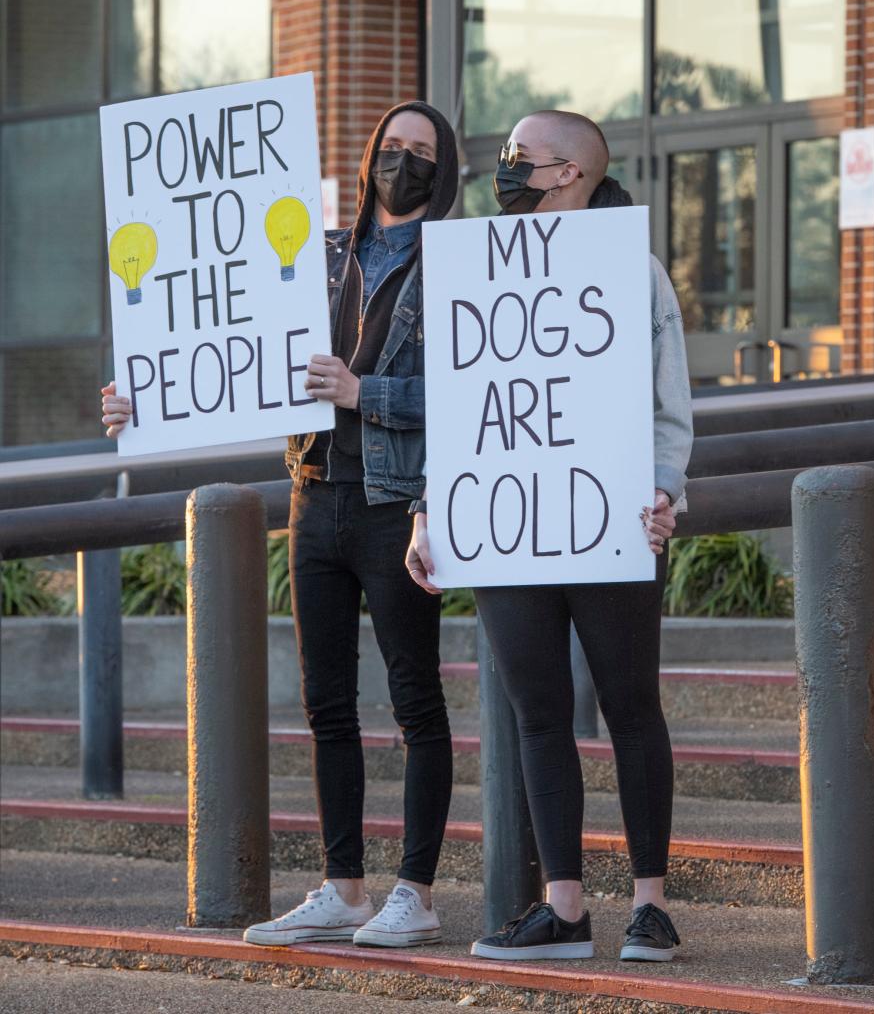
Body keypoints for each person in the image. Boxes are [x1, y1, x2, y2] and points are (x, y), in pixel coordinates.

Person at [103, 101, 460, 949]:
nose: (400, 163)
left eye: (420, 153)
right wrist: (141, 403)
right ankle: (343, 887)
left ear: (442, 174)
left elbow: (471, 394)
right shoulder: (312, 253)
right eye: (391, 147)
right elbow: (233, 351)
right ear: (370, 154)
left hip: (393, 502)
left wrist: (363, 394)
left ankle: (416, 891)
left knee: (416, 701)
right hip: (313, 496)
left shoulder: (456, 268)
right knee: (326, 703)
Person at [405, 109, 693, 965]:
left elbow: (668, 410)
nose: (503, 168)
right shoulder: (475, 270)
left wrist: (665, 493)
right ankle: (562, 909)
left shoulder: (633, 272)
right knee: (536, 714)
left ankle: (651, 905)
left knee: (631, 706)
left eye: (518, 158)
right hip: (508, 525)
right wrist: (431, 509)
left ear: (566, 172)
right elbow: (460, 408)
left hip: (611, 523)